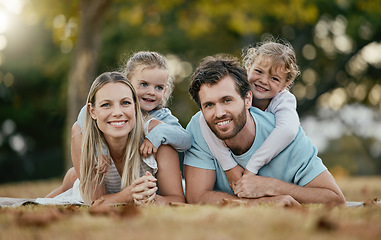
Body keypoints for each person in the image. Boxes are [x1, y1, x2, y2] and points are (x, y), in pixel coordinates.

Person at [184, 55, 346, 206]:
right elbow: (196, 197)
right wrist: (260, 203)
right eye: (209, 105)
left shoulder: (286, 135)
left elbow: (335, 199)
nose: (219, 113)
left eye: (227, 100)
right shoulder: (199, 128)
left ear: (247, 99)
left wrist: (272, 187)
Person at [47, 51, 191, 204]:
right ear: (127, 82)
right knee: (73, 179)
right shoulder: (99, 113)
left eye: (159, 88)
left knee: (74, 177)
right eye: (144, 84)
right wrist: (100, 151)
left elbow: (185, 139)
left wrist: (158, 134)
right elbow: (84, 117)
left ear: (165, 90)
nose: (151, 92)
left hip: (139, 178)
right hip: (108, 180)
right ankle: (44, 198)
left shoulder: (161, 118)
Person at [199, 39, 301, 189]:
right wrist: (229, 166)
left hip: (269, 165)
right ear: (248, 67)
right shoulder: (236, 89)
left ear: (285, 85)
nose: (263, 81)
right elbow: (203, 119)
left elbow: (288, 130)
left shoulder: (284, 100)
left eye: (274, 78)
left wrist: (252, 167)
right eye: (259, 71)